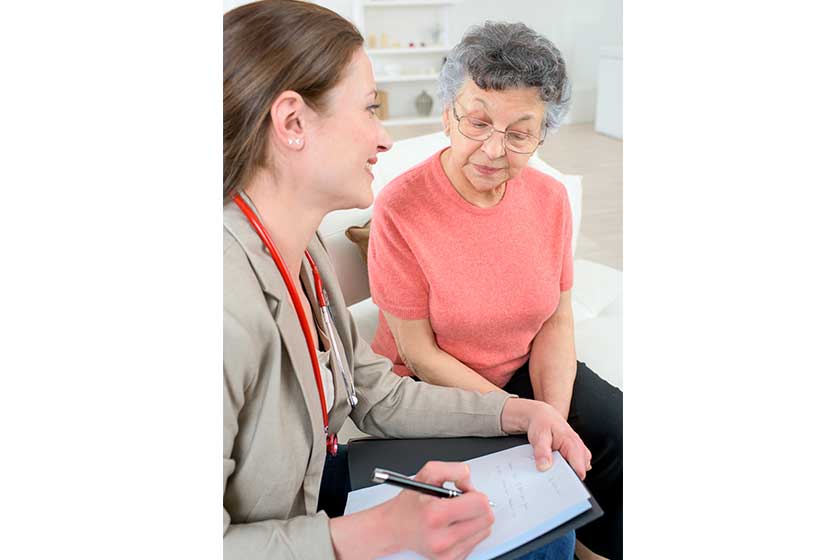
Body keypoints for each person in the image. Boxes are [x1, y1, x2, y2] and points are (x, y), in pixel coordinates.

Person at [223, 2, 592, 558]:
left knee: (551, 531)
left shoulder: (304, 252)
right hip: (287, 521)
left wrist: (521, 411)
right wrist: (379, 530)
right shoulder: (222, 301)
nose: (386, 139)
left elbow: (372, 392)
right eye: (370, 109)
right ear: (293, 122)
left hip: (316, 481)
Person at [366, 21, 623, 560]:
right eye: (477, 122)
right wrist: (521, 417)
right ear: (447, 115)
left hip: (524, 368)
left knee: (619, 432)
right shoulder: (401, 207)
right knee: (510, 502)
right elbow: (420, 352)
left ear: (543, 134)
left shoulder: (549, 199)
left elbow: (556, 317)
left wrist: (548, 413)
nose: (493, 149)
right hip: (437, 386)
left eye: (519, 132)